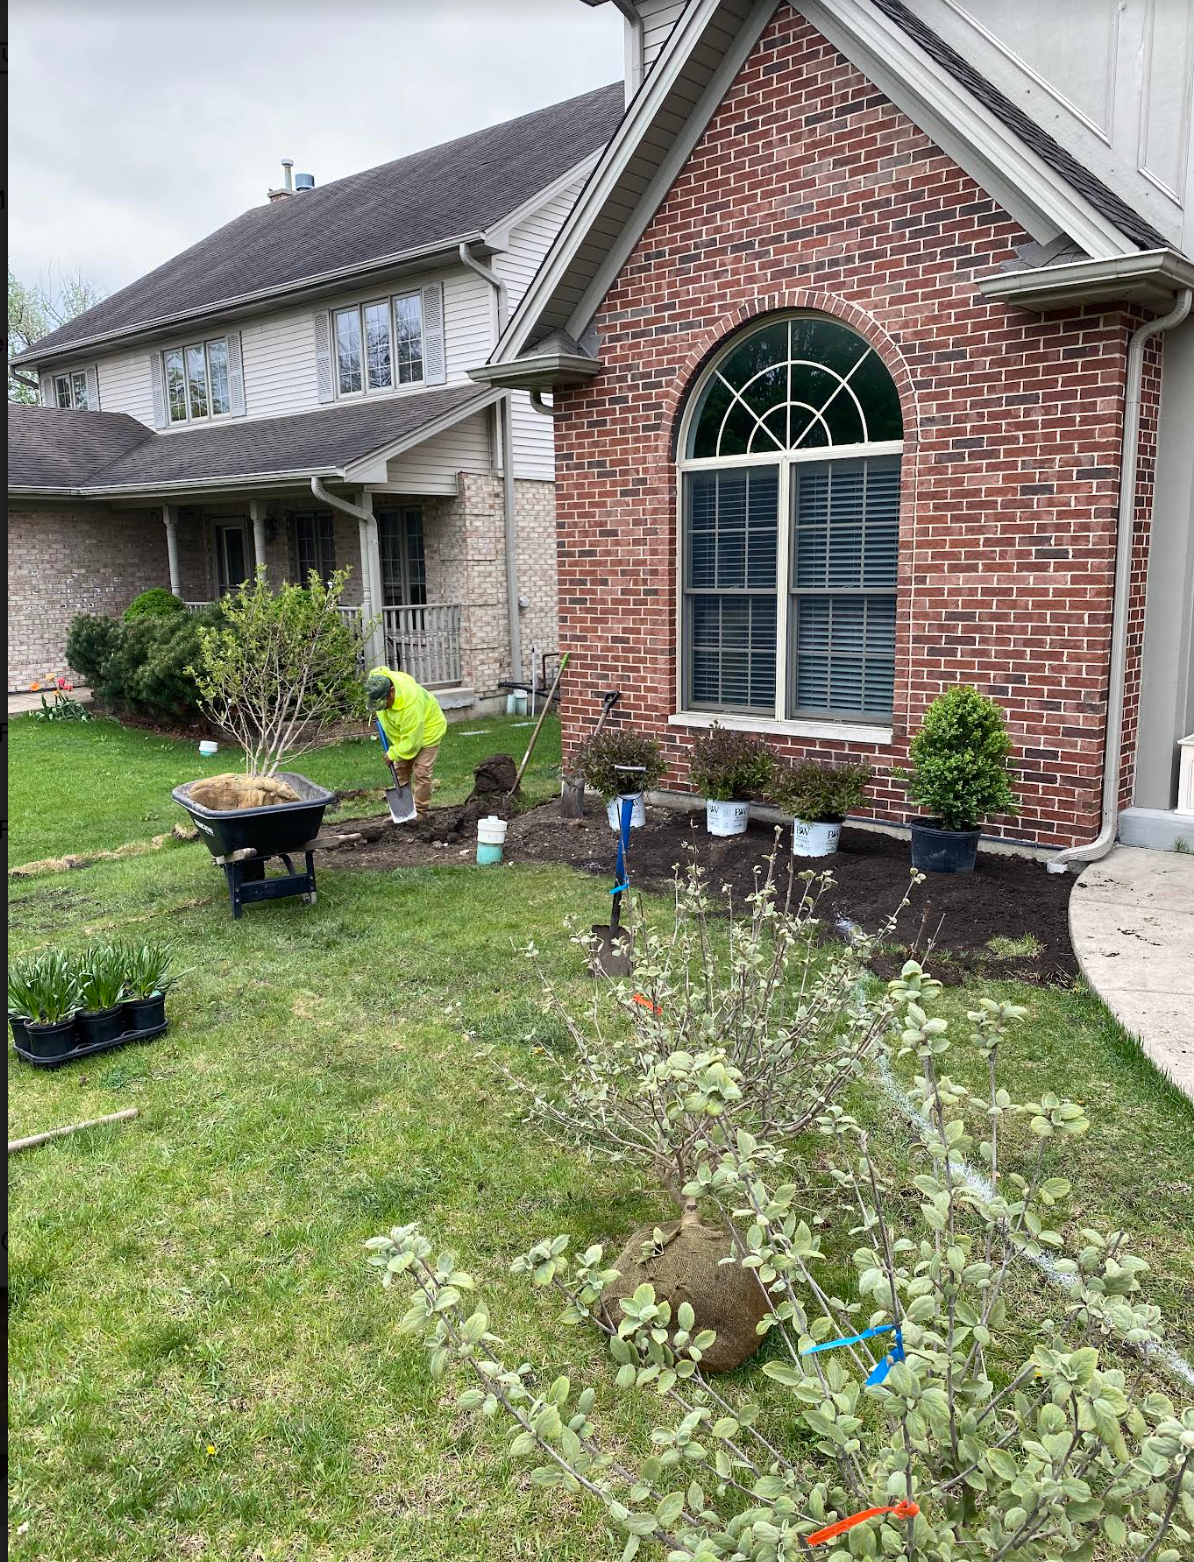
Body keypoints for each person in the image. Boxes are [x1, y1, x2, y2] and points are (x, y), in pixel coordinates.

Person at [364, 665, 447, 819]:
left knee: (421, 771)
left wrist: (393, 753)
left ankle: (419, 813)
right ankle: (403, 812)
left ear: (392, 692)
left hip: (429, 730)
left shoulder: (410, 707)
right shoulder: (378, 682)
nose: (380, 707)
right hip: (404, 734)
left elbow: (413, 743)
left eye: (382, 702)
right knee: (401, 768)